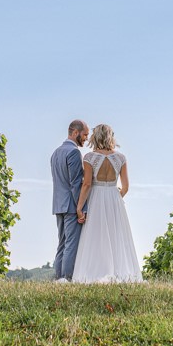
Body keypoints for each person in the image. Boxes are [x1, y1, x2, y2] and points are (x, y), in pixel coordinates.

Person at [71, 124, 143, 283]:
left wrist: (79, 207)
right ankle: (119, 272)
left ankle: (96, 272)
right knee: (116, 235)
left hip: (97, 197)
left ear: (95, 137)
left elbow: (87, 184)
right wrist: (117, 198)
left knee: (96, 235)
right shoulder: (121, 158)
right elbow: (125, 186)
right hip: (114, 197)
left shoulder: (89, 158)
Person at [50, 119, 89, 282]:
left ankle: (59, 278)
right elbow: (75, 184)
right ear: (75, 132)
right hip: (71, 205)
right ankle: (67, 278)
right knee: (71, 244)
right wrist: (81, 207)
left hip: (58, 204)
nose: (86, 138)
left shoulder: (56, 152)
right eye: (85, 134)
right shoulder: (73, 153)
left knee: (62, 244)